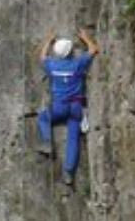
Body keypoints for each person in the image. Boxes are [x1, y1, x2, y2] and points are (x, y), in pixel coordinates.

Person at [36, 28, 100, 186]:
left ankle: (47, 142)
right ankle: (68, 173)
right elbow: (93, 50)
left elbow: (42, 57)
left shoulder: (52, 66)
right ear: (71, 52)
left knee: (43, 117)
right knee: (73, 138)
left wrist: (49, 40)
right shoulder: (78, 64)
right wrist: (86, 38)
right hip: (76, 107)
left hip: (59, 107)